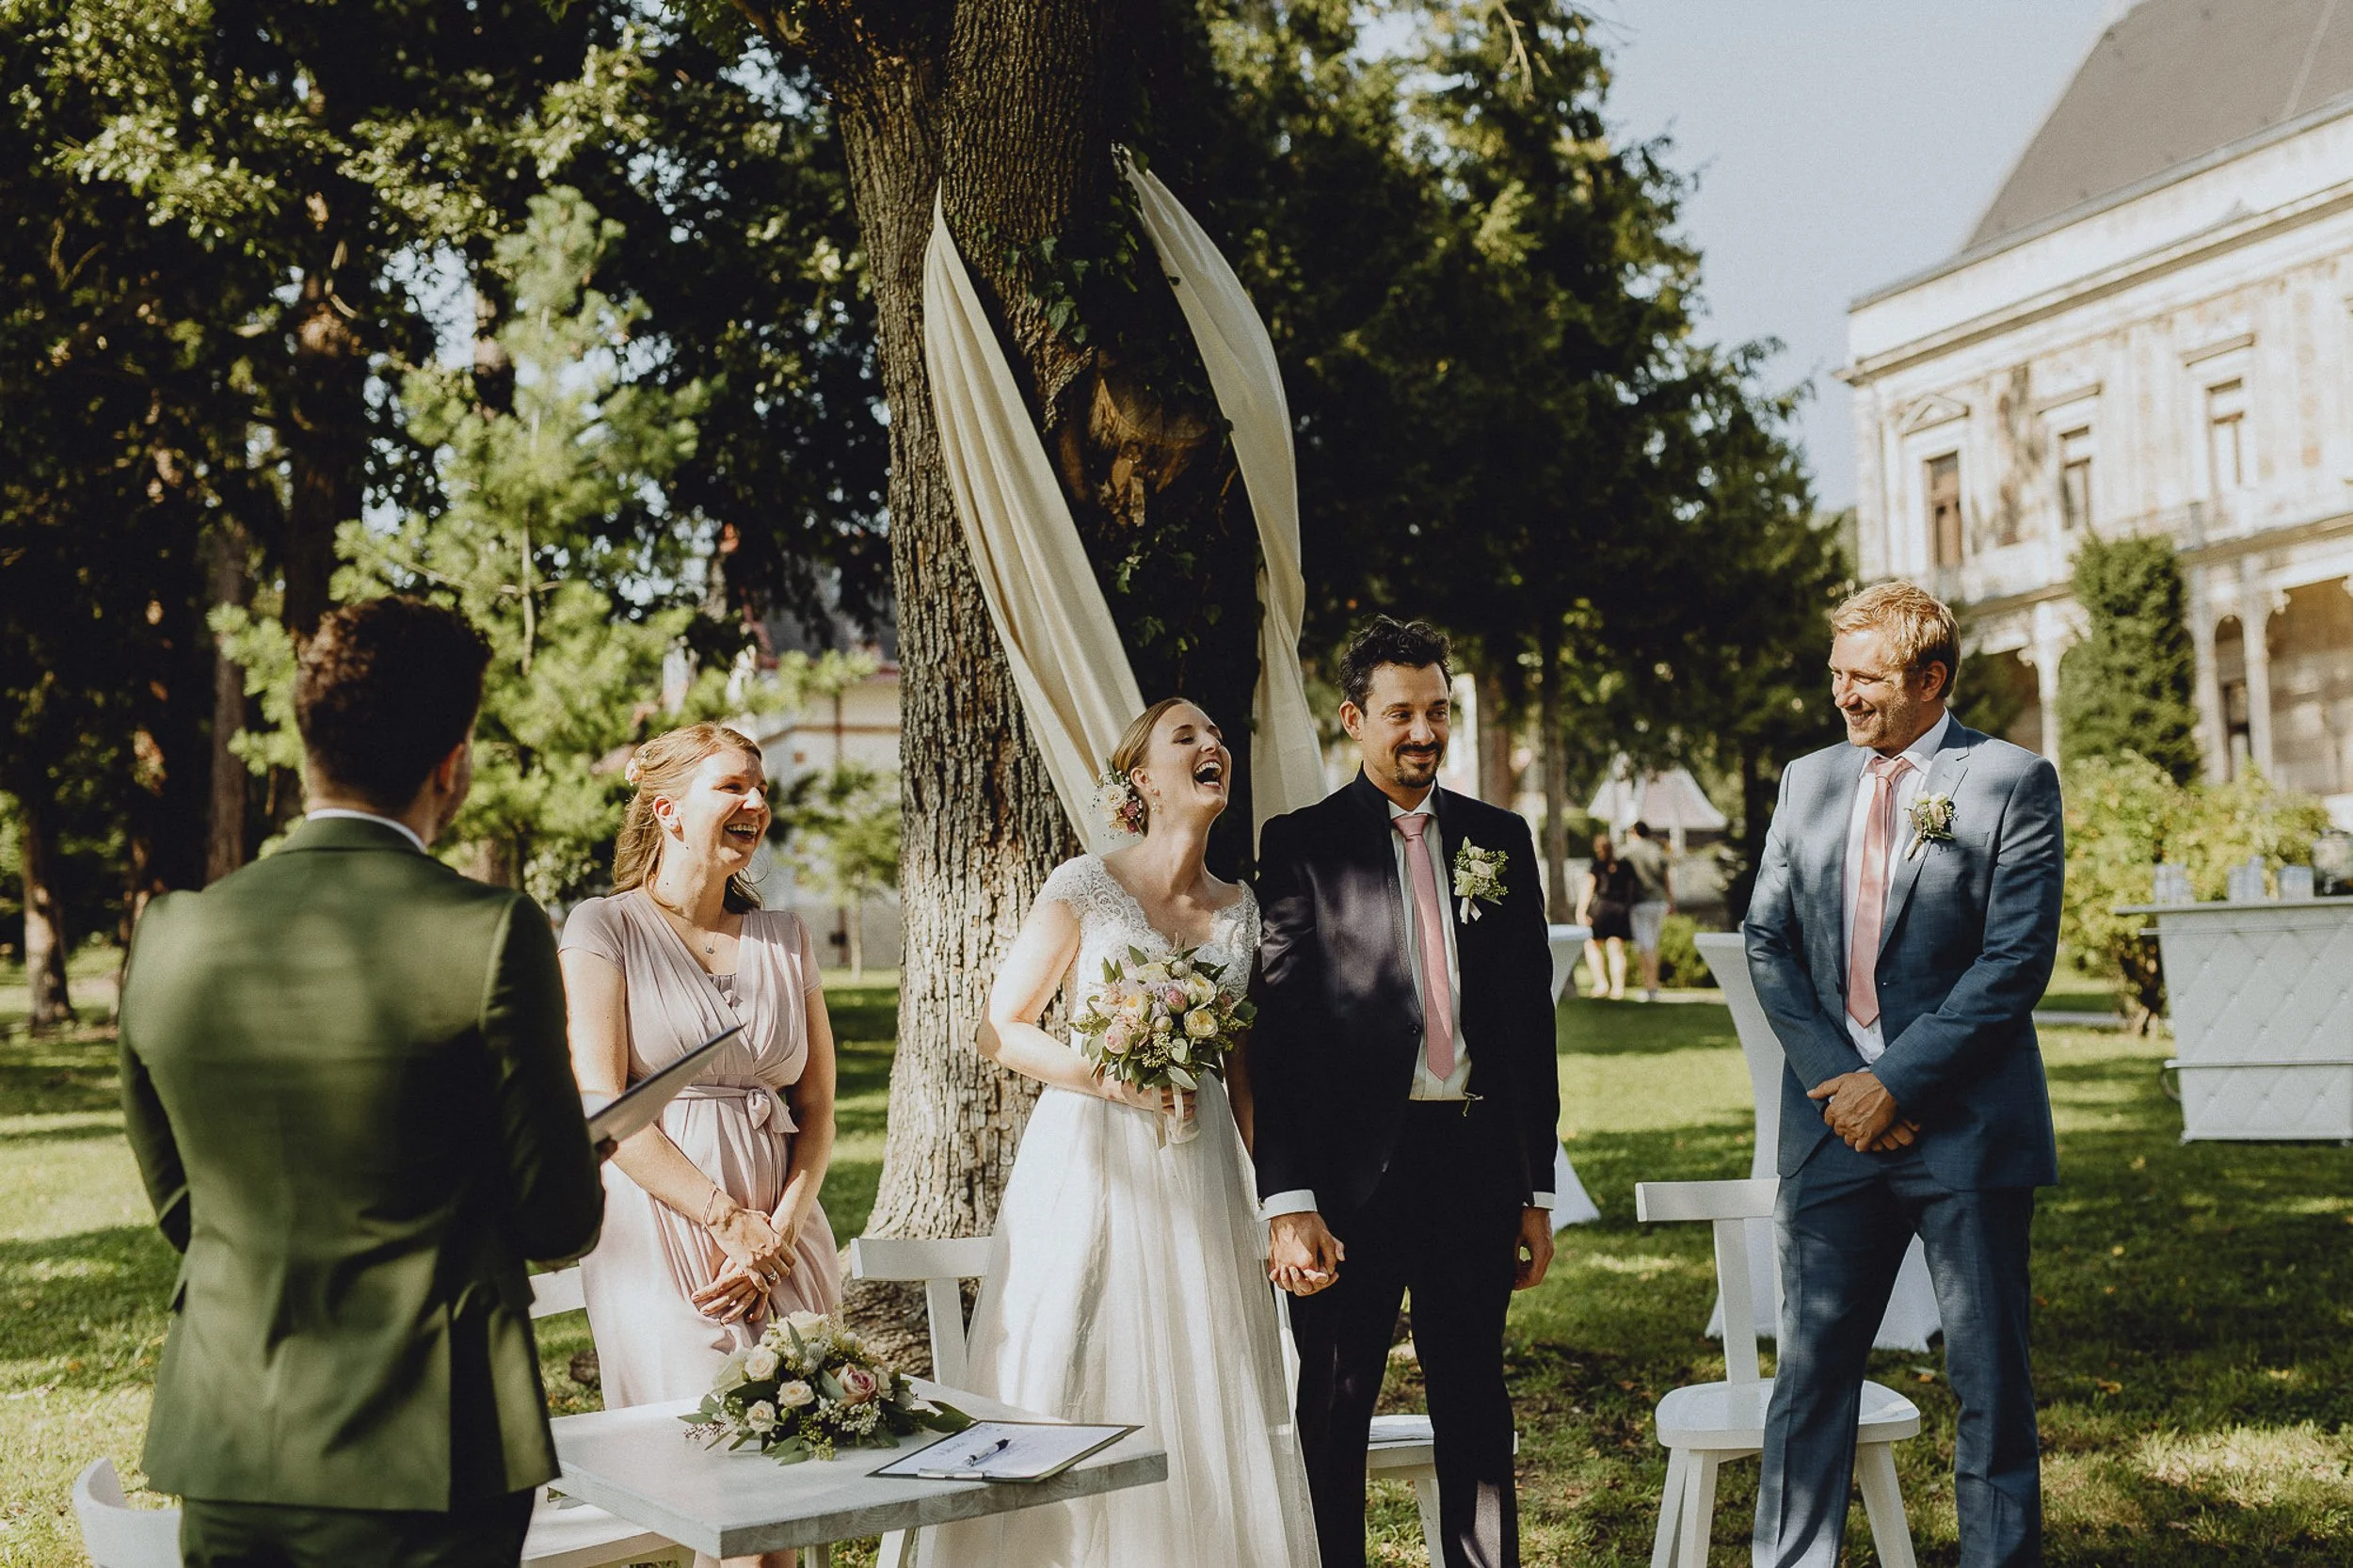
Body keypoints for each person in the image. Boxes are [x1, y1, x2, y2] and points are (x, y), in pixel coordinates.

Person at [118, 597, 606, 1568]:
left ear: (307, 747)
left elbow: (183, 1207)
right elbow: (557, 1218)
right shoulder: (491, 931)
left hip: (229, 1436)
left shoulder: (169, 934)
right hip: (431, 1448)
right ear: (451, 762)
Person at [927, 697, 1320, 1568]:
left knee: (1204, 1360)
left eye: (1216, 737)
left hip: (1201, 1159)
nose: (1213, 745)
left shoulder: (1245, 908)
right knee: (1068, 1345)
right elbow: (1005, 1028)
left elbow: (1247, 1072)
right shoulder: (1083, 884)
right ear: (1141, 778)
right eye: (1189, 737)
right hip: (1090, 1155)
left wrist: (1279, 1198)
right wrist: (1111, 1078)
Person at [1744, 581, 2060, 1568]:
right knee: (1809, 1378)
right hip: (1832, 1130)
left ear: (1931, 678)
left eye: (1866, 676)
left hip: (1965, 1129)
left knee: (1988, 1382)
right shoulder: (1807, 783)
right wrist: (1843, 1082)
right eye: (1835, 673)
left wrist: (1900, 1082)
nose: (1842, 694)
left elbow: (2014, 962)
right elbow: (1767, 939)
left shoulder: (2011, 780)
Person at [1252, 617, 1560, 1568]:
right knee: (1338, 1400)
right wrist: (1289, 1197)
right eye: (1400, 713)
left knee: (1474, 1395)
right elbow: (1278, 1036)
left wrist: (1535, 1188)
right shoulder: (1300, 844)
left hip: (1471, 1166)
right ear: (1354, 719)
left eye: (1436, 710)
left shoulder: (1498, 840)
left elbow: (1526, 1031)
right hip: (1351, 1180)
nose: (1422, 731)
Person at [561, 725, 841, 1568]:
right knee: (715, 1497)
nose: (757, 801)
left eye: (759, 787)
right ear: (669, 811)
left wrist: (781, 1227)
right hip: (662, 1231)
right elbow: (601, 1102)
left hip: (785, 1233)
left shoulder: (787, 938)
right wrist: (726, 1220)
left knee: (787, 1501)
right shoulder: (602, 927)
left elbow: (819, 1105)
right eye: (731, 787)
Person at [1576, 831, 1635, 1000]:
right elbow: (1631, 890)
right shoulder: (1625, 866)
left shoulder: (1597, 866)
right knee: (1616, 949)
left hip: (1602, 909)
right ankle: (1618, 988)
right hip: (1620, 909)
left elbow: (1588, 888)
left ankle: (1601, 983)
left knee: (1592, 945)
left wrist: (1581, 912)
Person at [1622, 819, 1673, 1000]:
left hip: (1640, 902)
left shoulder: (1628, 851)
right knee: (1653, 944)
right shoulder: (1656, 849)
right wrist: (1670, 899)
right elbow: (1666, 877)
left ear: (1634, 833)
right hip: (1659, 902)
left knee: (1645, 946)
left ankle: (1650, 987)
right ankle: (1653, 987)